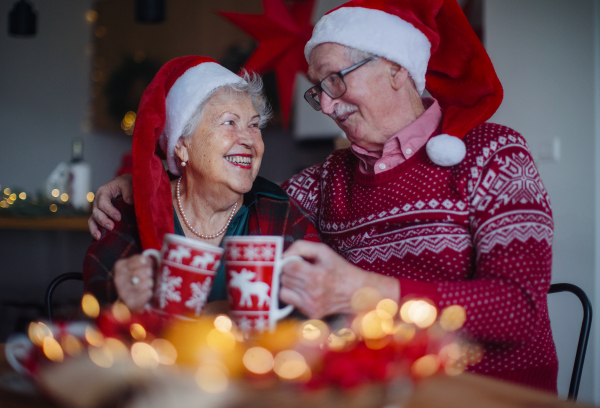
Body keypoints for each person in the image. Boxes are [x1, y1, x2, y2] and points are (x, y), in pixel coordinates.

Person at [88, 1, 558, 393]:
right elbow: (231, 197)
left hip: (484, 393)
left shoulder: (493, 154)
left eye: (335, 79)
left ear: (395, 68)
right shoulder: (324, 181)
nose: (328, 105)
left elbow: (519, 307)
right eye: (319, 90)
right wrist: (152, 180)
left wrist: (365, 292)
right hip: (370, 392)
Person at [83, 56, 319, 316]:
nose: (249, 140)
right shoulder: (132, 213)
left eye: (253, 125)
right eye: (229, 122)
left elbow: (317, 304)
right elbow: (91, 316)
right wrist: (124, 307)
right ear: (182, 145)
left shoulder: (279, 211)